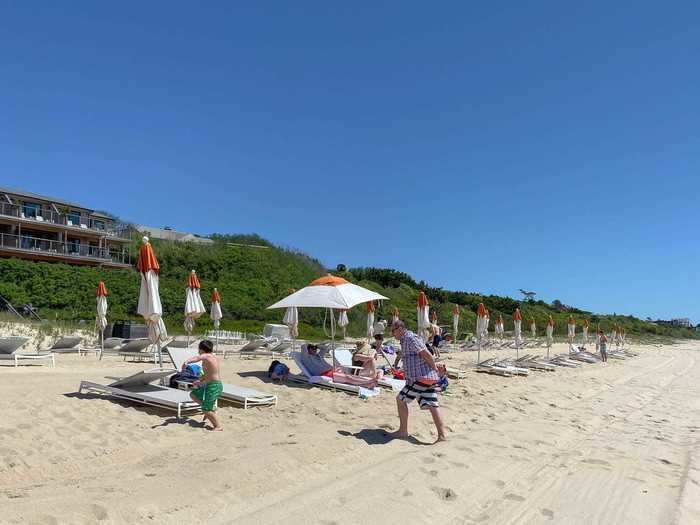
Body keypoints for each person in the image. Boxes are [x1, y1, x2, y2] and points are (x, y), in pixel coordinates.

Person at [388, 320, 447, 443]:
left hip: (419, 378)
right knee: (432, 404)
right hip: (424, 378)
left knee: (400, 399)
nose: (392, 333)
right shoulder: (405, 340)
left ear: (399, 329)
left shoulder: (409, 338)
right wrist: (398, 367)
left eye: (393, 331)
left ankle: (403, 431)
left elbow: (425, 354)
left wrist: (435, 368)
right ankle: (442, 436)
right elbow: (411, 357)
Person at [182, 340, 224, 431]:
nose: (198, 351)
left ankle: (218, 426)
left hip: (214, 386)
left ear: (202, 350)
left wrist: (186, 362)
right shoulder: (210, 359)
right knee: (193, 395)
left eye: (199, 349)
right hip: (209, 385)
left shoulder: (208, 356)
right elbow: (209, 374)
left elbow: (197, 358)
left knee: (205, 410)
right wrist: (199, 381)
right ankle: (209, 408)